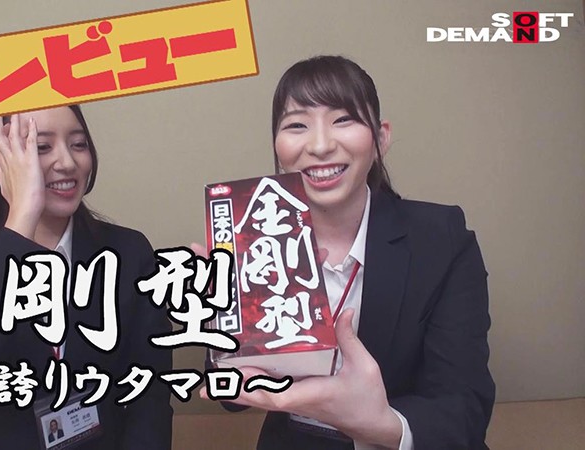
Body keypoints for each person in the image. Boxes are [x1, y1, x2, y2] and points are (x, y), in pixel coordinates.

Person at [197, 56, 495, 449]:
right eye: (297, 125)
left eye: (343, 119)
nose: (320, 145)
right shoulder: (252, 242)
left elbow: (464, 407)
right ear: (278, 146)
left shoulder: (442, 239)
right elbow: (231, 398)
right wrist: (222, 322)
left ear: (380, 138)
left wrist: (382, 425)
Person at [0, 106, 173, 449]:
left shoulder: (129, 252)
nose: (67, 162)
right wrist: (20, 222)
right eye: (41, 147)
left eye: (78, 144)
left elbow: (151, 391)